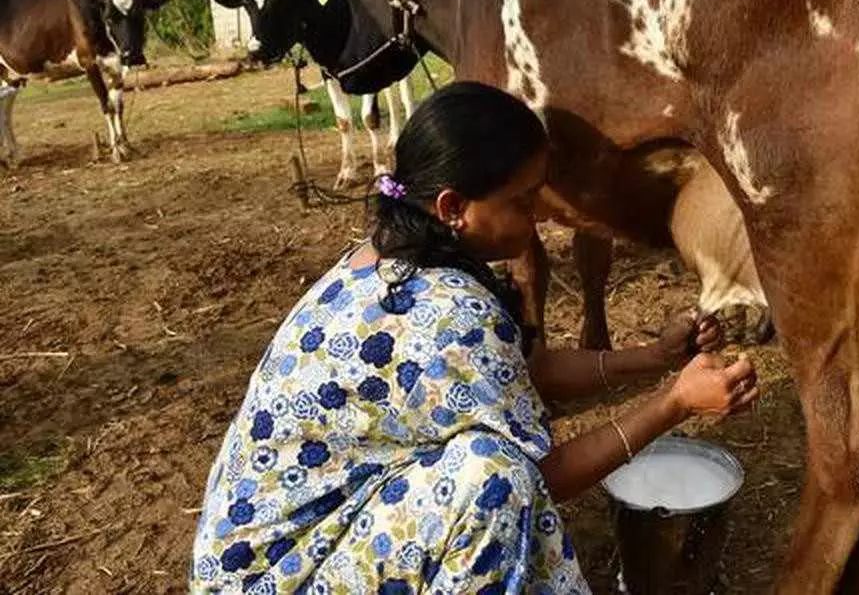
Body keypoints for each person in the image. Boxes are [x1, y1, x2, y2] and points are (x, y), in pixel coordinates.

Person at [190, 81, 760, 594]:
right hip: (282, 576)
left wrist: (652, 358)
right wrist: (675, 402)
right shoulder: (449, 312)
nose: (537, 216)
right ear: (453, 207)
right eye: (521, 200)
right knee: (497, 481)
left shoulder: (386, 258)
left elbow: (525, 366)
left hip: (260, 554)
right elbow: (545, 478)